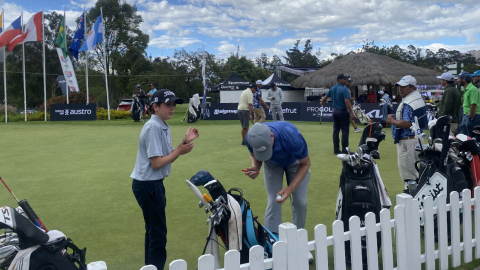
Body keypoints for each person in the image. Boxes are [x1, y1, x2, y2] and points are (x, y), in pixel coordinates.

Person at [130, 89, 199, 270]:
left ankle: (150, 267)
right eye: (168, 104)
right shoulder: (153, 127)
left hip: (151, 184)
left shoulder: (161, 125)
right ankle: (154, 267)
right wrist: (179, 151)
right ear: (155, 106)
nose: (172, 108)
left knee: (153, 231)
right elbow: (156, 163)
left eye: (173, 104)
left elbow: (165, 154)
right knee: (158, 234)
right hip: (148, 185)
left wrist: (182, 144)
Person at [243, 122, 310, 236]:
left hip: (295, 163)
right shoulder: (250, 138)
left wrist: (290, 189)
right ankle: (271, 240)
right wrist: (256, 167)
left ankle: (297, 236)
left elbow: (306, 163)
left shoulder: (292, 137)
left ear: (272, 135)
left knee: (300, 202)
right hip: (271, 163)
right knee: (274, 200)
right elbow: (254, 155)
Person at [386, 75, 427, 190]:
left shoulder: (409, 102)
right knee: (414, 171)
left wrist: (392, 121)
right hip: (415, 140)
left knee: (409, 174)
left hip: (408, 142)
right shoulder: (416, 98)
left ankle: (412, 197)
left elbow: (408, 123)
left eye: (404, 87)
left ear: (412, 87)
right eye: (399, 86)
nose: (400, 89)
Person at [320, 74, 355, 154]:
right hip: (343, 111)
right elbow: (347, 101)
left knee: (336, 131)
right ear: (339, 79)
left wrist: (321, 103)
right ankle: (344, 150)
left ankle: (336, 150)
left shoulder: (332, 88)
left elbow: (325, 98)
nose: (346, 80)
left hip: (335, 112)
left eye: (346, 78)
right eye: (344, 79)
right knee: (345, 131)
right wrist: (351, 112)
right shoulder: (344, 89)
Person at [457, 72, 480, 137]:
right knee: (461, 136)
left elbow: (474, 104)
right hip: (468, 116)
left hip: (473, 116)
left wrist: (471, 117)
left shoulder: (472, 89)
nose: (457, 80)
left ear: (464, 79)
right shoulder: (467, 89)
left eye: (459, 78)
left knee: (466, 138)